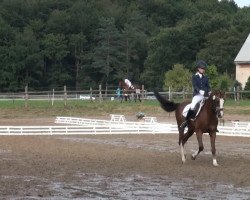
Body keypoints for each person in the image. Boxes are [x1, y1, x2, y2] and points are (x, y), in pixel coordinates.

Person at [180, 60, 211, 129]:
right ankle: (186, 122)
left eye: (204, 69)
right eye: (202, 68)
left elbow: (208, 86)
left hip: (205, 95)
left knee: (212, 104)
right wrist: (200, 91)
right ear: (198, 69)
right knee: (193, 105)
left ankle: (213, 123)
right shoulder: (194, 77)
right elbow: (195, 86)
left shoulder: (206, 77)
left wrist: (209, 91)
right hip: (197, 95)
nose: (203, 70)